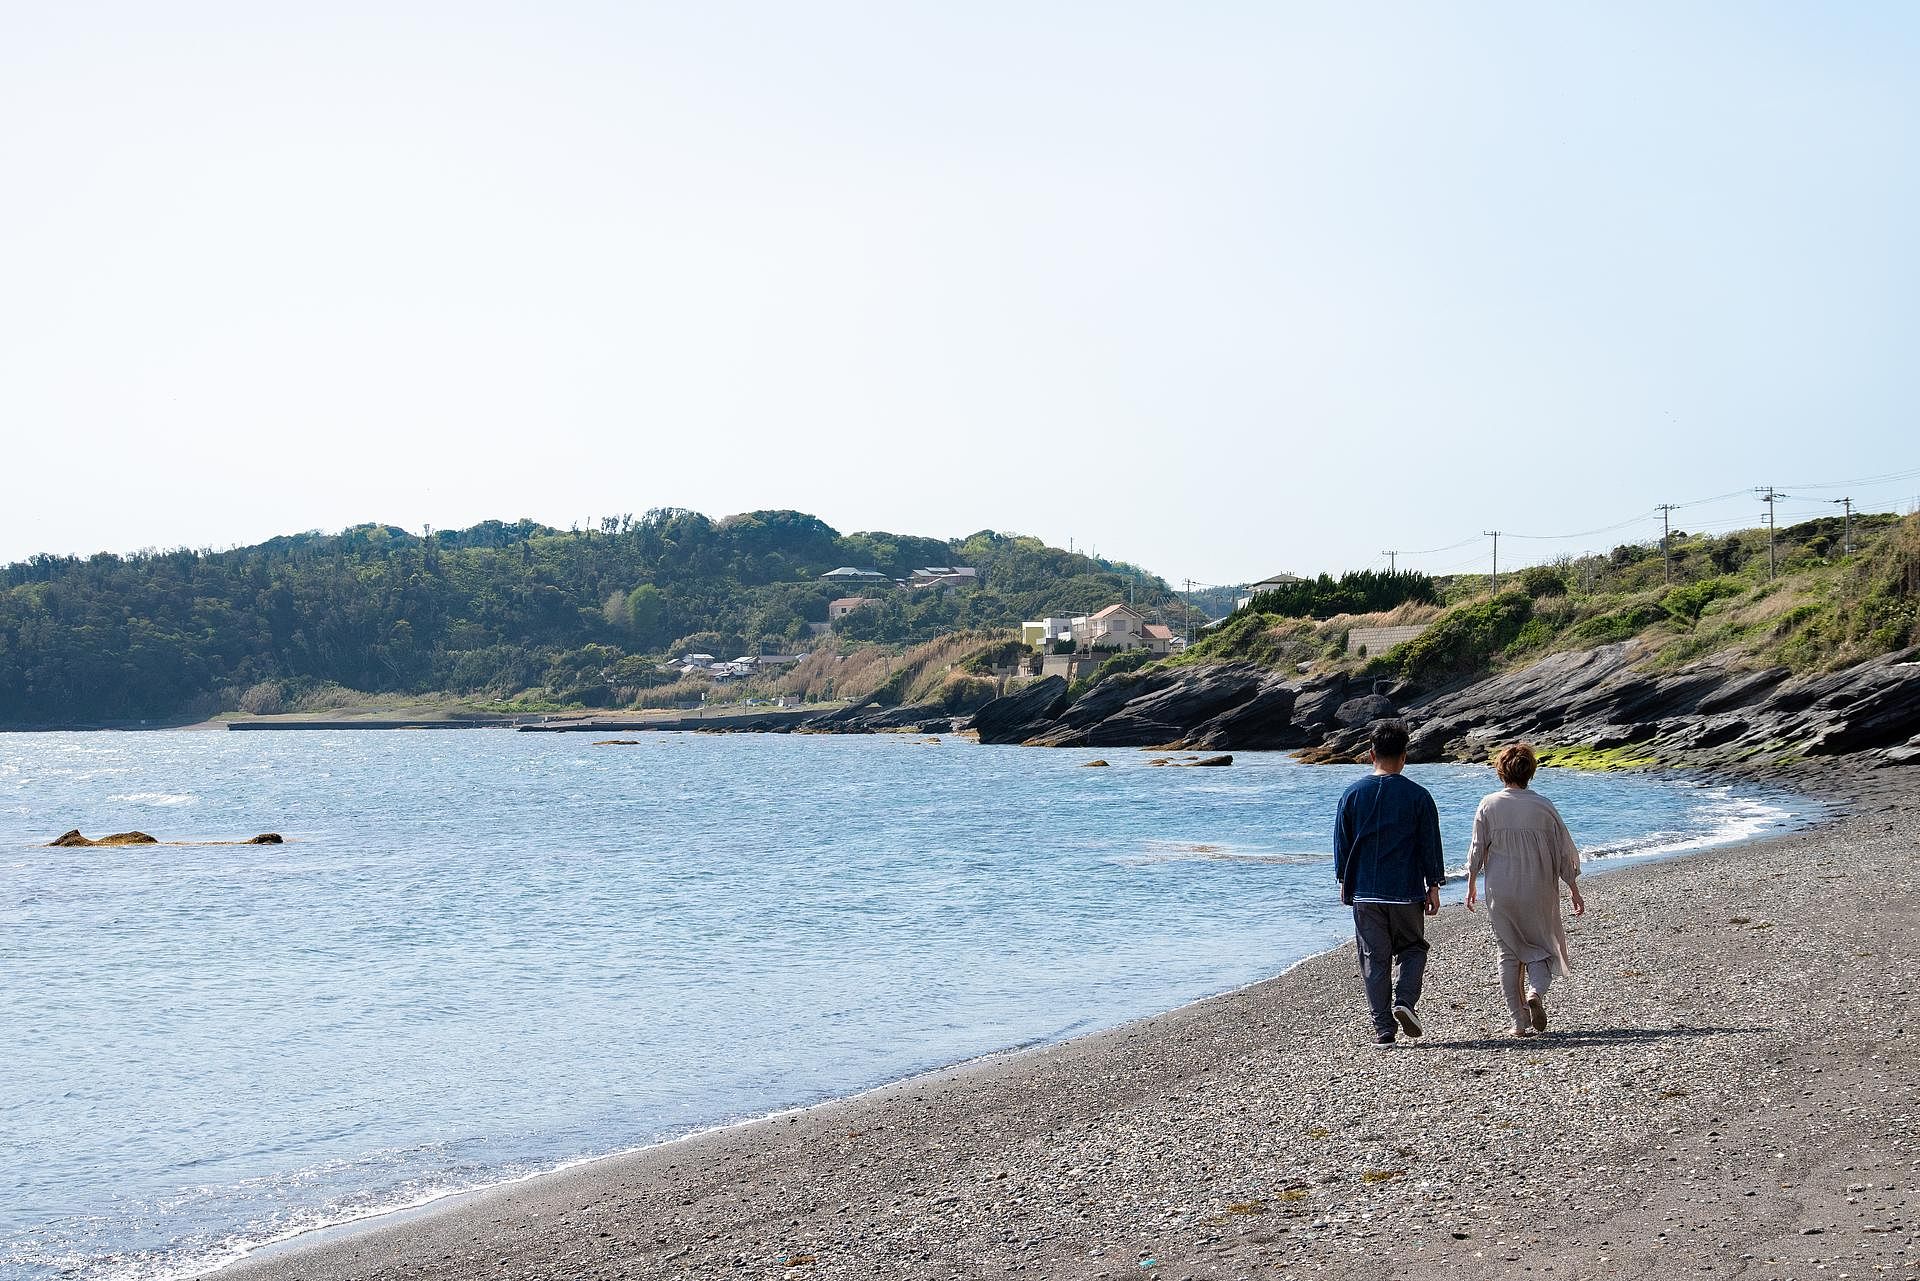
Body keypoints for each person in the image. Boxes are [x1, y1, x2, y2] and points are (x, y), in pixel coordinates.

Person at [1333, 719, 1445, 1047]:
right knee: (1413, 948)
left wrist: (1344, 880)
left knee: (1374, 957)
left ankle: (1383, 1028)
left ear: (1371, 755)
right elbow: (1429, 843)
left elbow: (1342, 845)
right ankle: (1405, 1002)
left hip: (1366, 891)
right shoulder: (1419, 796)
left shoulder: (1352, 794)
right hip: (1406, 890)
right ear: (1404, 756)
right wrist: (1434, 884)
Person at [1464, 743, 1585, 1037]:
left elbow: (1477, 849)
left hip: (1501, 889)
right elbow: (1563, 850)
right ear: (1530, 771)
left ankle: (1518, 1022)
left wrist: (1470, 882)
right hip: (1539, 887)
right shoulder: (1543, 805)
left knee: (1508, 952)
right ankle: (1535, 992)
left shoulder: (1488, 804)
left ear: (1501, 771)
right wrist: (1573, 886)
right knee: (1543, 947)